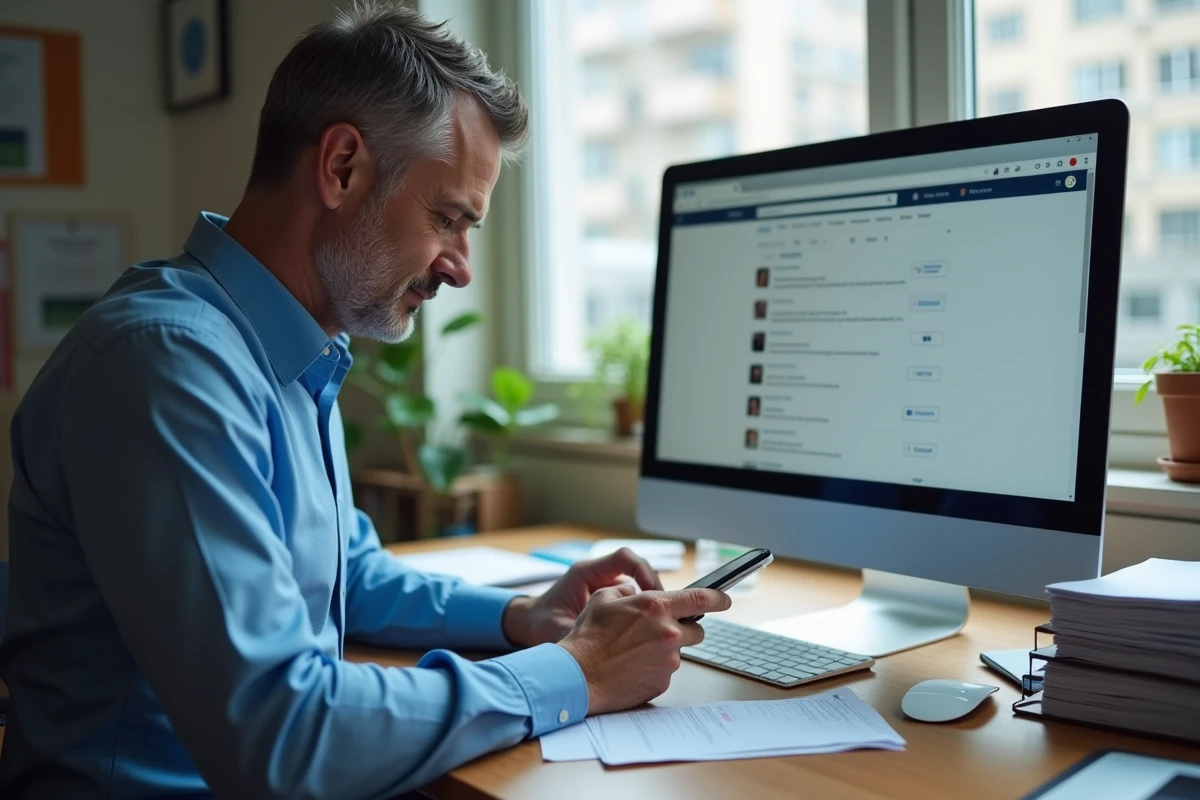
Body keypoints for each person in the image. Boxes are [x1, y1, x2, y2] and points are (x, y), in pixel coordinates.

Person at [0, 5, 730, 799]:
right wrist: (574, 672)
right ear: (342, 166)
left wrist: (524, 619)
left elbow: (347, 571)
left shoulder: (281, 345)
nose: (461, 269)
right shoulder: (169, 365)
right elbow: (282, 732)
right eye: (448, 218)